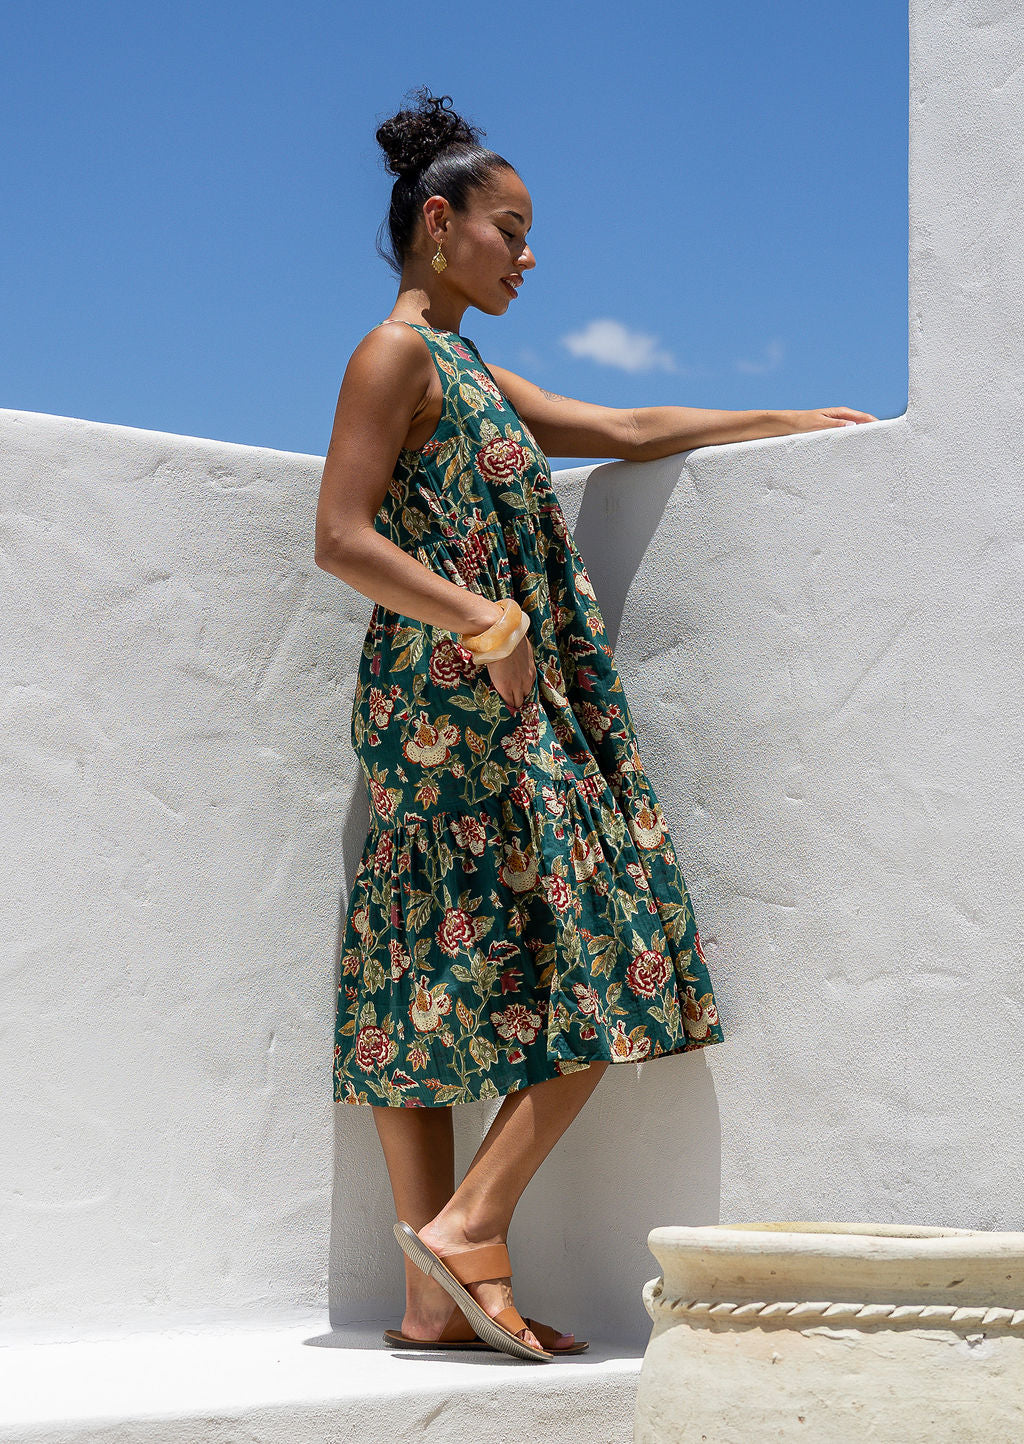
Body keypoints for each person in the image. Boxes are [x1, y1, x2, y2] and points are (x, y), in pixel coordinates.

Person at [314, 86, 877, 1363]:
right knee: (604, 944)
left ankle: (431, 1296)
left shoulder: (467, 369)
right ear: (439, 224)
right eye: (509, 230)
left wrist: (781, 420)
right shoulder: (391, 356)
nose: (528, 255)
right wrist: (487, 621)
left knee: (444, 969)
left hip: (486, 702)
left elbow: (621, 429)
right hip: (454, 706)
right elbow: (338, 535)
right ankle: (468, 1232)